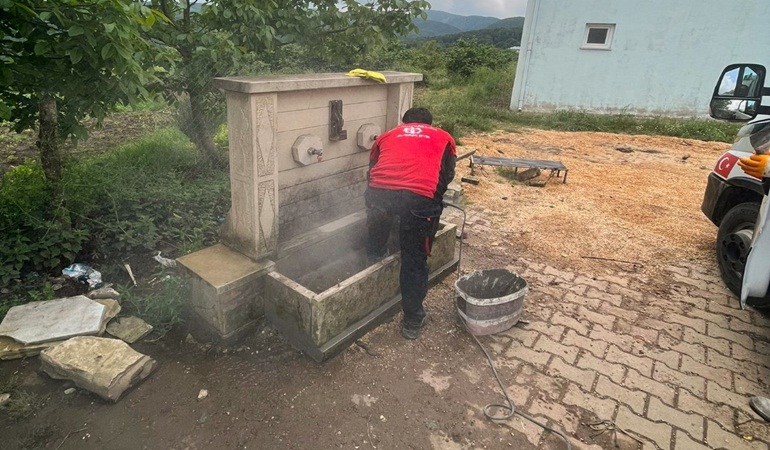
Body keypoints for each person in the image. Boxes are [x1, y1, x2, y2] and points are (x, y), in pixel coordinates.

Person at [365, 107, 456, 340]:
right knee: (415, 259)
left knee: (379, 220)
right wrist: (431, 202)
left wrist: (385, 201)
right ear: (430, 123)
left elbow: (372, 170)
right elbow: (447, 175)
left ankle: (374, 257)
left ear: (404, 123)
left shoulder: (387, 135)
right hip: (420, 201)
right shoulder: (444, 137)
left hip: (380, 194)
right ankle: (413, 320)